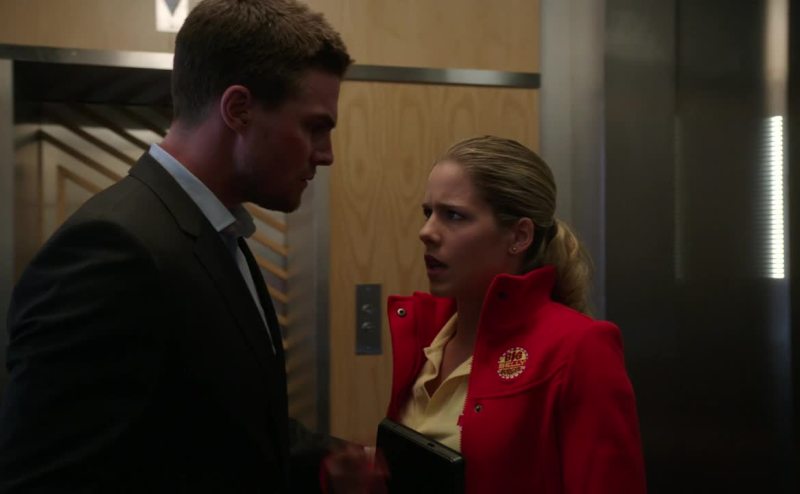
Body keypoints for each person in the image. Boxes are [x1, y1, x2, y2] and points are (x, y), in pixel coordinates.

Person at [0, 0, 367, 492]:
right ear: (238, 109)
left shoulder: (214, 232)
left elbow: (207, 424)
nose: (326, 155)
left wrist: (325, 462)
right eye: (314, 127)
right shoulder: (114, 251)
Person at [384, 136, 647, 493]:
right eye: (428, 213)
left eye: (454, 215)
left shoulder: (579, 348)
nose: (426, 232)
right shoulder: (427, 335)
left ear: (519, 236)